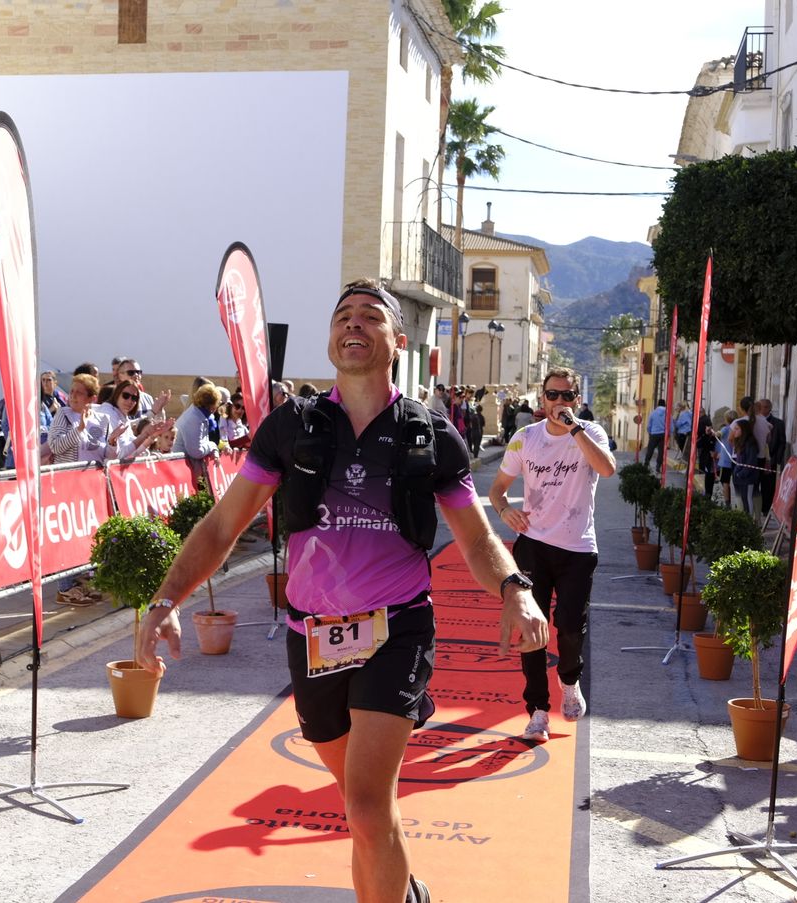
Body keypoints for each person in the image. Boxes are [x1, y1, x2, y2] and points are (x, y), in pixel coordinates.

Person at [135, 279, 547, 903]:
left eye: (369, 316)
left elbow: (475, 537)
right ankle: (405, 891)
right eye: (342, 316)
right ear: (330, 337)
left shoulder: (431, 436)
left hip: (396, 630)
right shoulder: (292, 427)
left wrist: (516, 589)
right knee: (367, 815)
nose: (353, 324)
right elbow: (223, 524)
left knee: (363, 804)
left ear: (398, 341)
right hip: (313, 637)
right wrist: (167, 600)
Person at [489, 367, 615, 742]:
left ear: (577, 400)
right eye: (553, 395)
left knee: (571, 626)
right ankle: (538, 711)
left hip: (577, 547)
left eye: (567, 396)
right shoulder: (525, 437)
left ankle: (569, 680)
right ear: (542, 400)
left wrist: (574, 429)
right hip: (533, 546)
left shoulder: (591, 433)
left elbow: (607, 470)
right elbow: (498, 488)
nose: (560, 402)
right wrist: (504, 510)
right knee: (532, 629)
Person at [175, 384, 221, 465]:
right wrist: (212, 445)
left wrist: (214, 451)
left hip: (185, 464)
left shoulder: (199, 414)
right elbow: (196, 452)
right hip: (179, 465)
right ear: (212, 406)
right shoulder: (194, 418)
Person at [755, 399, 787, 515]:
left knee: (768, 486)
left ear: (769, 408)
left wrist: (777, 459)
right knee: (755, 485)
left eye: (763, 407)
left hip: (771, 459)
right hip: (756, 459)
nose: (761, 410)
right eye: (759, 407)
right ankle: (756, 509)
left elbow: (782, 442)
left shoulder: (778, 423)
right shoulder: (754, 421)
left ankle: (766, 508)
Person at [729, 418, 761, 515]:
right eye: (734, 428)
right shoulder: (740, 443)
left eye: (737, 429)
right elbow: (739, 461)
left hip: (748, 478)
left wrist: (741, 474)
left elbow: (751, 462)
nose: (734, 431)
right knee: (743, 499)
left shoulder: (750, 443)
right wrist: (737, 472)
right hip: (741, 477)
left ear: (744, 430)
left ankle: (750, 521)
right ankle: (745, 519)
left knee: (748, 498)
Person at [715, 411, 736, 506]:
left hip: (725, 460)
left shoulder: (726, 428)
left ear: (726, 419)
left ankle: (727, 502)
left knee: (725, 482)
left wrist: (713, 432)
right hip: (735, 458)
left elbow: (718, 434)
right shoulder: (737, 428)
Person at [644, 401, 667, 469]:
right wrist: (669, 434)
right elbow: (670, 425)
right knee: (661, 451)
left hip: (654, 434)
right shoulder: (667, 414)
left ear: (657, 404)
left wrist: (650, 432)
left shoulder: (653, 413)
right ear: (664, 405)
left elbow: (649, 425)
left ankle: (646, 463)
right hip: (663, 434)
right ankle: (658, 466)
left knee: (650, 449)